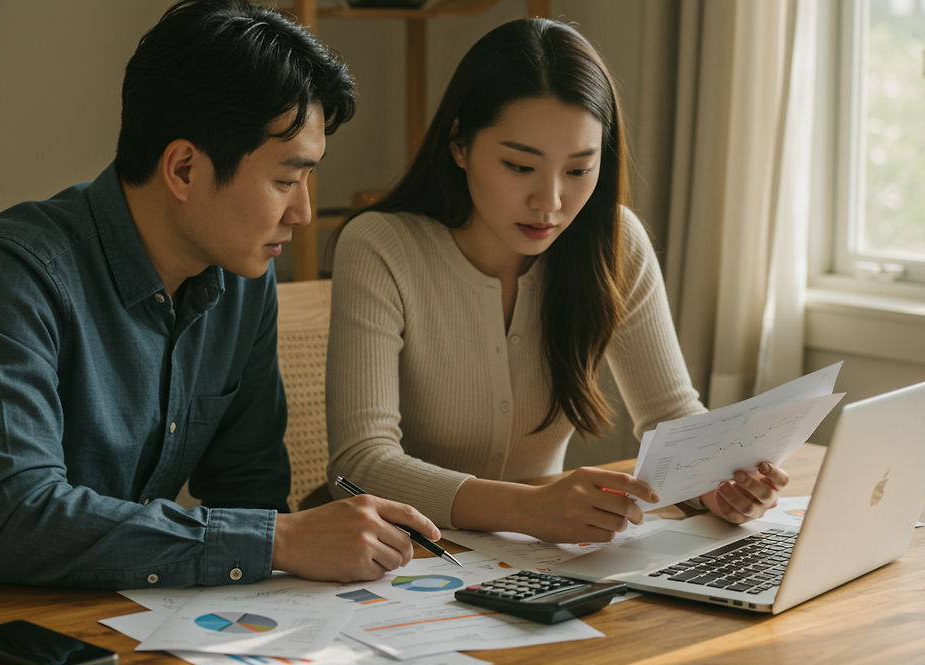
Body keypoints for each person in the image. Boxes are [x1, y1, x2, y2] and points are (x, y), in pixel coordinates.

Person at [0, 0, 439, 606]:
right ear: (183, 168)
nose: (304, 212)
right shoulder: (8, 275)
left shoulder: (243, 278)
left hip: (106, 621)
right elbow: (16, 522)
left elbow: (250, 490)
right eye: (287, 180)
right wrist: (278, 540)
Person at [325, 18, 788, 544]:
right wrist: (526, 508)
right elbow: (359, 466)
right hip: (401, 557)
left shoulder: (616, 243)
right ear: (459, 145)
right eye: (519, 166)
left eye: (577, 170)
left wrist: (717, 484)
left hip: (535, 561)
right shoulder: (381, 245)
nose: (550, 202)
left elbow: (672, 419)